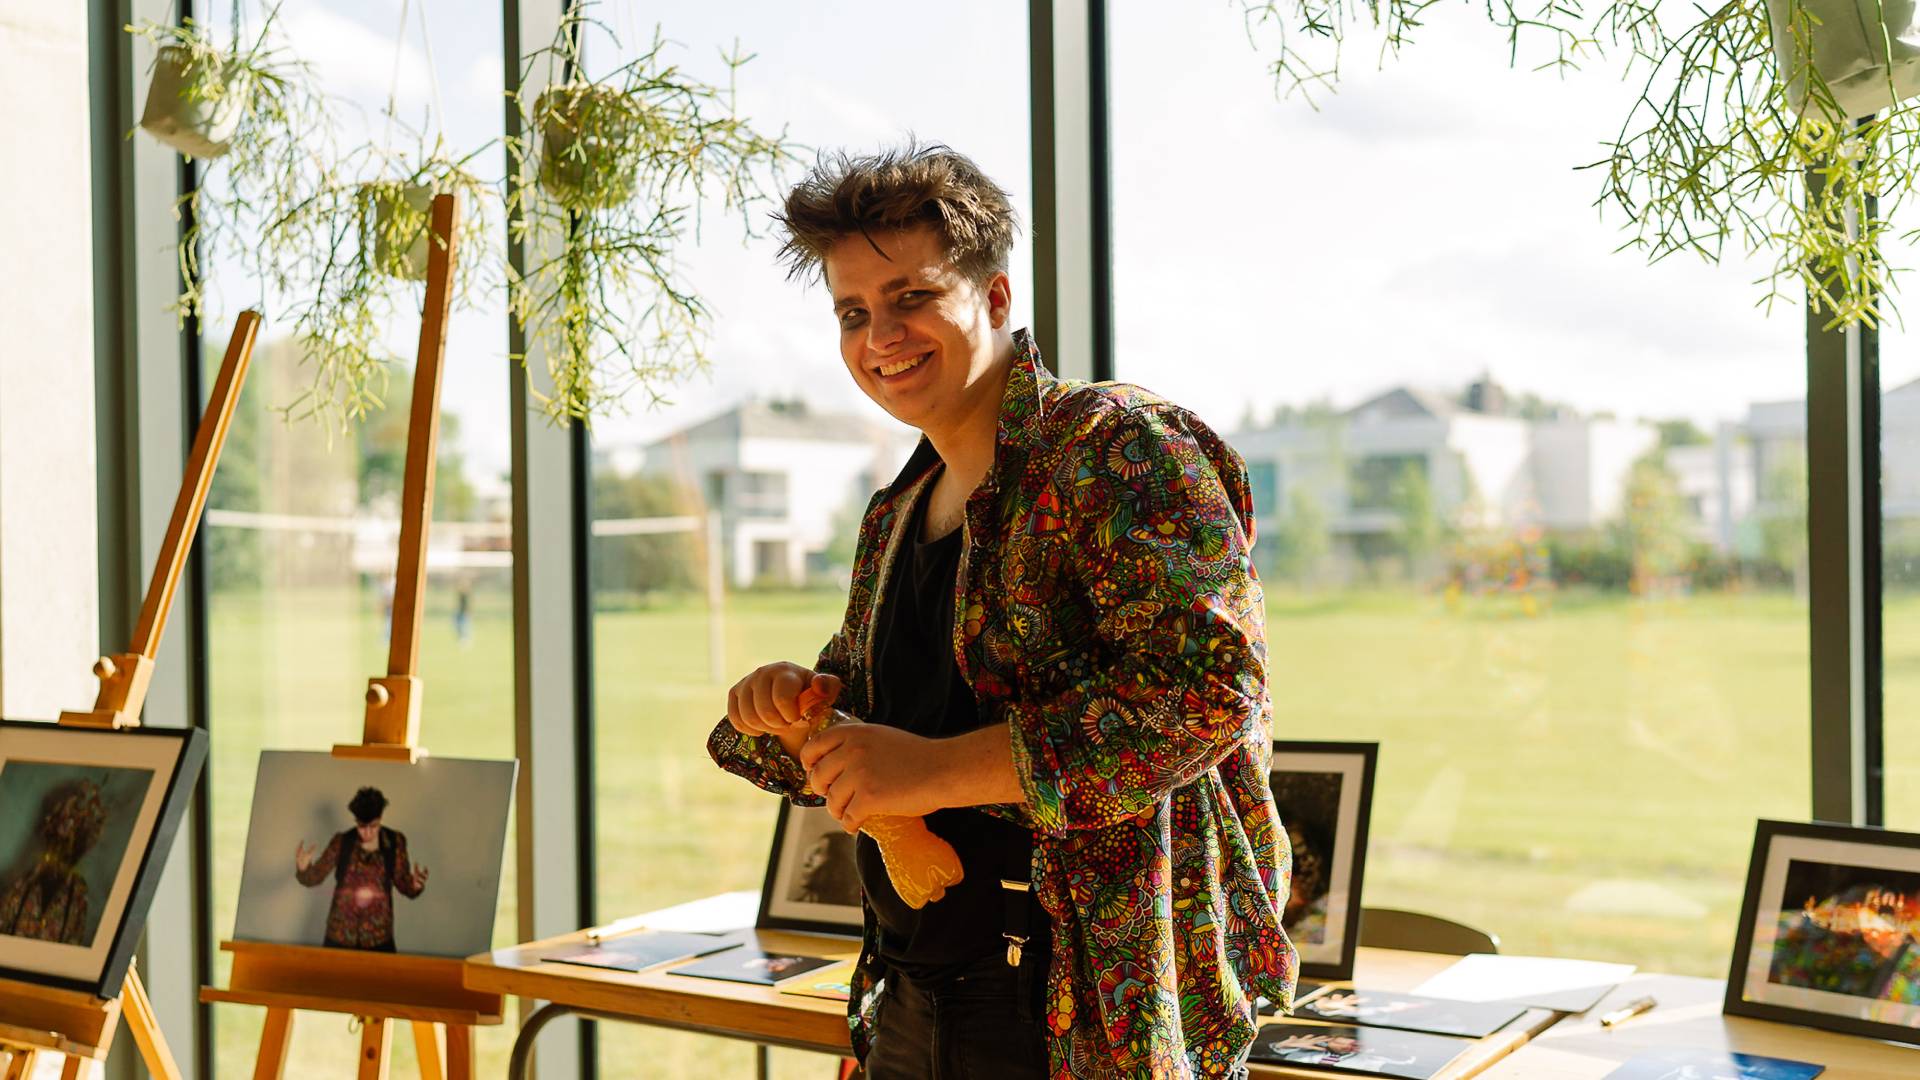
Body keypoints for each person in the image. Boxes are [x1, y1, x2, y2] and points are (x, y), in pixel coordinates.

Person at [708, 143, 1297, 1078]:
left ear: (993, 298)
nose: (880, 335)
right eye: (853, 313)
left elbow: (1209, 691)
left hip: (1078, 1012)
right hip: (909, 993)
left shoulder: (1116, 445)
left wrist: (934, 772)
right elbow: (874, 733)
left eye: (910, 297)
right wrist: (791, 708)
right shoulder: (900, 507)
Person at [294, 786, 428, 951]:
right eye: (362, 826)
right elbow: (314, 878)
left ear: (380, 819)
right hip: (340, 936)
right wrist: (304, 868)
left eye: (374, 826)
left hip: (379, 937)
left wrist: (414, 885)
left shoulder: (394, 842)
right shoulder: (342, 842)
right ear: (356, 821)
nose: (368, 833)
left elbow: (403, 884)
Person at [0, 779, 108, 945]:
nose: (59, 853)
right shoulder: (25, 884)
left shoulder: (76, 895)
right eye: (56, 843)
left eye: (68, 846)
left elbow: (73, 946)